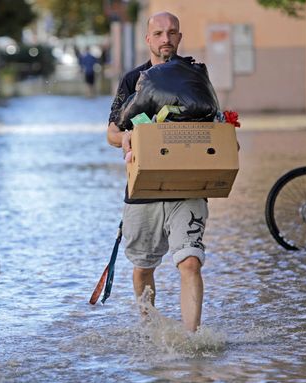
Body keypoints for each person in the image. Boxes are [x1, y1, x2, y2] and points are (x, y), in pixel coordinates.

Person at [106, 11, 207, 332]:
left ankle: (191, 339)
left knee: (190, 261)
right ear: (148, 39)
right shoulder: (132, 79)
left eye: (172, 32)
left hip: (188, 186)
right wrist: (125, 137)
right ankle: (151, 331)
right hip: (143, 188)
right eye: (159, 33)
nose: (166, 39)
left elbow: (211, 119)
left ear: (179, 37)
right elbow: (111, 131)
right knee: (143, 266)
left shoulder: (195, 75)